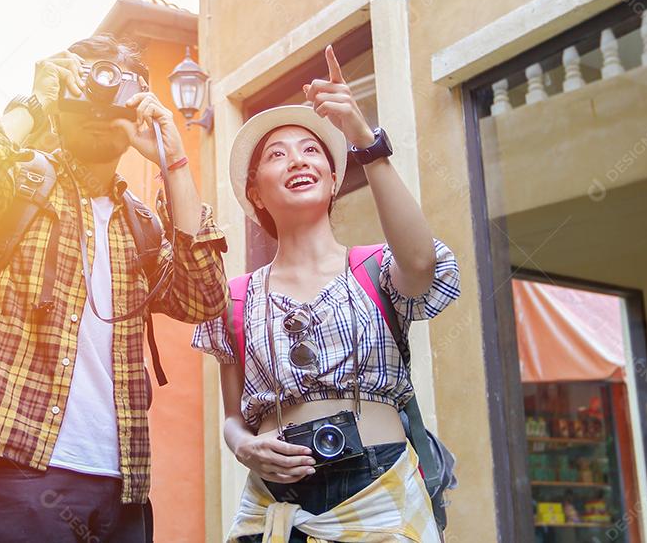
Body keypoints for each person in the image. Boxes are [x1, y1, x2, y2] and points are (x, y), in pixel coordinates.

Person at [0, 34, 228, 542]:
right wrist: (34, 102)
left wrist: (173, 161)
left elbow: (205, 298)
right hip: (15, 469)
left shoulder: (143, 225)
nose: (98, 100)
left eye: (115, 84)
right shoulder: (15, 187)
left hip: (123, 484)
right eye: (81, 84)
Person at [192, 45, 459, 542]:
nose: (298, 159)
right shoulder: (233, 298)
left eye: (311, 149)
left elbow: (422, 264)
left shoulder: (376, 268)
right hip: (276, 504)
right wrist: (243, 447)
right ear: (255, 192)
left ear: (334, 180)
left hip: (380, 494)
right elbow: (232, 417)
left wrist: (364, 140)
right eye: (277, 154)